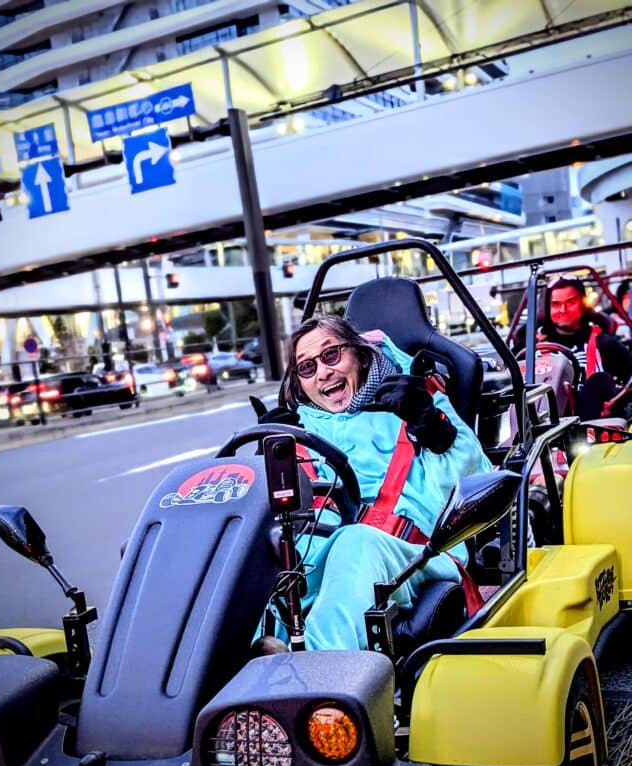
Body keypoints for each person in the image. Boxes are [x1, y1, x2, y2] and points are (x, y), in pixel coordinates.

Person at [254, 315, 492, 654]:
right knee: (251, 562)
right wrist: (268, 458)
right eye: (307, 368)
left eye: (332, 355)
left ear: (361, 355)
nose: (323, 372)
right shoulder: (298, 430)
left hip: (418, 552)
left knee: (356, 542)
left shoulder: (417, 400)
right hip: (319, 556)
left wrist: (435, 431)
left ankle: (315, 670)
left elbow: (478, 475)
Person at [517, 276, 632, 420]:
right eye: (556, 304)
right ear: (547, 308)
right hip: (540, 424)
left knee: (599, 381)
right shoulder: (528, 347)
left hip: (594, 426)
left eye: (571, 302)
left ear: (582, 303)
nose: (563, 309)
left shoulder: (605, 343)